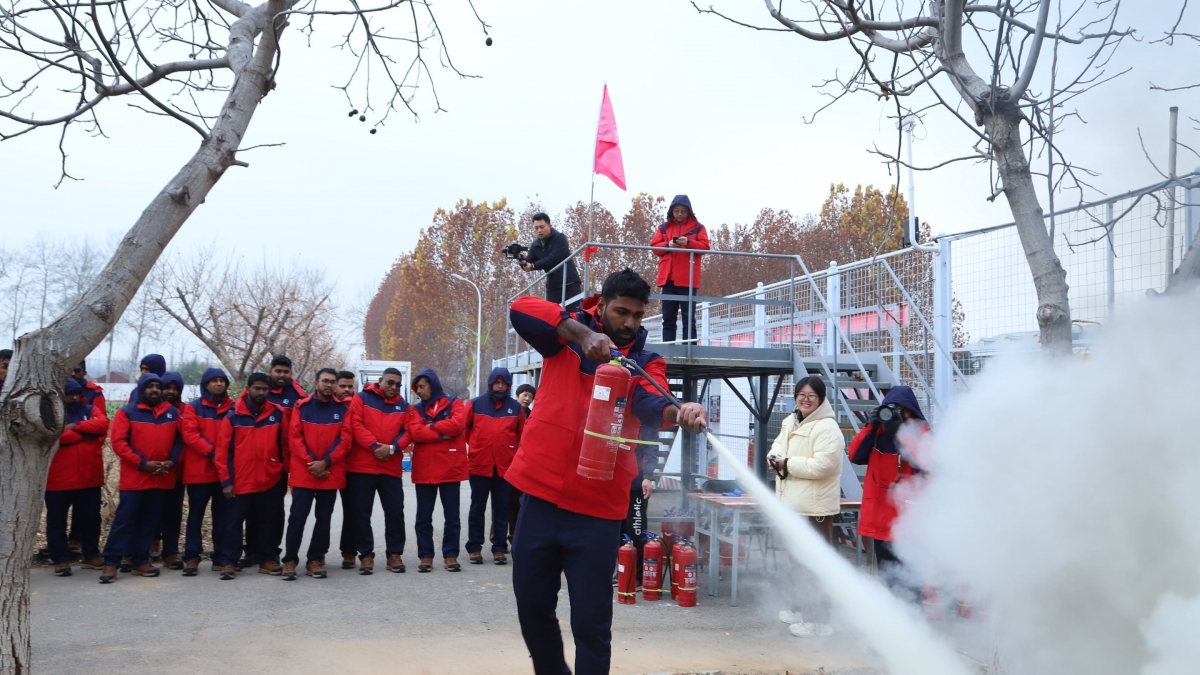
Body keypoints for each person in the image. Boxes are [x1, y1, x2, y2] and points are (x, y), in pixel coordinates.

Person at [506, 268, 707, 675]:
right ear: (601, 306)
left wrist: (679, 413)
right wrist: (581, 335)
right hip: (541, 499)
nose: (630, 323)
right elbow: (519, 309)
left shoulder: (646, 362)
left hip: (598, 511)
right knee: (531, 605)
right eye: (621, 312)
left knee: (591, 622)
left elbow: (654, 404)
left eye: (637, 315)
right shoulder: (562, 340)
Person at [768, 376, 844, 638]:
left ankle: (819, 622)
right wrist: (774, 457)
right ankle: (800, 610)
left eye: (811, 395)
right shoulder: (792, 420)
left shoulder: (827, 428)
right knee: (797, 563)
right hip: (793, 507)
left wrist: (786, 464)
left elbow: (823, 466)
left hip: (815, 510)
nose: (805, 399)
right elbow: (779, 444)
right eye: (801, 394)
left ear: (821, 399)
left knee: (814, 565)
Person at [99, 374, 183, 583]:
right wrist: (143, 464)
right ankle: (111, 563)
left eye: (158, 386)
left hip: (162, 477)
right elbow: (119, 443)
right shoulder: (127, 412)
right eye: (150, 386)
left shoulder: (173, 413)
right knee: (125, 520)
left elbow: (180, 442)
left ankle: (140, 560)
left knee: (150, 522)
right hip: (135, 478)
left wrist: (172, 462)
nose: (155, 390)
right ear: (142, 389)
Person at [848, 385, 930, 599]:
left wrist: (904, 434)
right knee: (888, 578)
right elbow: (855, 455)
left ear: (911, 411)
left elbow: (929, 464)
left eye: (901, 410)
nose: (894, 414)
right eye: (890, 408)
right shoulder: (876, 433)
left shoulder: (921, 433)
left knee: (911, 580)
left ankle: (913, 626)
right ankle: (893, 624)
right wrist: (870, 425)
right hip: (881, 520)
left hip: (909, 524)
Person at [214, 373, 287, 580]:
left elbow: (285, 446)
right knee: (234, 522)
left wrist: (281, 470)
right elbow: (223, 452)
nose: (261, 392)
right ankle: (229, 561)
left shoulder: (278, 414)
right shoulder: (233, 416)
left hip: (269, 479)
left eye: (265, 389)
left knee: (269, 521)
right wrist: (226, 481)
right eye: (257, 388)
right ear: (248, 388)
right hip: (240, 480)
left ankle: (267, 559)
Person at [282, 368, 350, 581]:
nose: (329, 385)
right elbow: (294, 438)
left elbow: (345, 440)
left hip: (329, 472)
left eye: (332, 382)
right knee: (297, 518)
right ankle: (290, 560)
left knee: (324, 519)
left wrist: (326, 462)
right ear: (316, 382)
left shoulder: (344, 409)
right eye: (325, 381)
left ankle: (315, 559)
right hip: (305, 472)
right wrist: (313, 462)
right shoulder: (301, 407)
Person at [344, 368, 411, 574]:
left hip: (390, 467)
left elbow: (408, 431)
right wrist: (374, 446)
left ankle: (394, 554)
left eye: (398, 384)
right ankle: (365, 556)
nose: (394, 387)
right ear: (380, 380)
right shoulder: (361, 399)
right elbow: (355, 425)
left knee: (395, 512)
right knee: (361, 513)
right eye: (390, 382)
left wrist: (391, 448)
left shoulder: (404, 406)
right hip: (362, 466)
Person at [45, 379, 109, 576]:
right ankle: (60, 559)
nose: (74, 397)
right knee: (57, 522)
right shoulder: (52, 413)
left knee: (90, 519)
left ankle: (91, 555)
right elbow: (56, 436)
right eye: (69, 394)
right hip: (58, 480)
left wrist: (75, 426)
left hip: (89, 478)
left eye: (76, 394)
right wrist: (86, 433)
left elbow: (103, 424)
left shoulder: (90, 409)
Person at [407, 369, 469, 573]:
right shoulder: (416, 409)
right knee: (423, 517)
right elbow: (415, 431)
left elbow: (458, 425)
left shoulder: (455, 403)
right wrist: (441, 434)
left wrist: (430, 426)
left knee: (452, 517)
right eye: (417, 388)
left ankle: (450, 555)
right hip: (425, 470)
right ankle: (426, 556)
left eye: (422, 387)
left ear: (432, 385)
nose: (419, 391)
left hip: (450, 469)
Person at [248, 355, 306, 569]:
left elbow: (298, 432)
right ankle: (251, 551)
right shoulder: (259, 390)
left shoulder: (298, 396)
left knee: (273, 510)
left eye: (286, 372)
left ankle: (271, 553)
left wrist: (289, 465)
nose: (281, 375)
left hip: (278, 462)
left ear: (291, 373)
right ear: (270, 371)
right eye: (278, 371)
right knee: (251, 509)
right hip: (252, 462)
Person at [465, 367, 524, 566]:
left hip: (505, 468)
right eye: (497, 382)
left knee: (502, 510)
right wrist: (478, 448)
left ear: (508, 385)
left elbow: (520, 436)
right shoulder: (474, 405)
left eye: (504, 383)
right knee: (477, 509)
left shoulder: (516, 408)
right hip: (479, 466)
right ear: (490, 383)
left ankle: (499, 548)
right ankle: (474, 548)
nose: (500, 386)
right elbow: (466, 432)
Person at [180, 368, 233, 576]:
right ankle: (192, 557)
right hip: (199, 473)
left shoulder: (233, 408)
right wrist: (213, 453)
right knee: (195, 516)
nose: (219, 384)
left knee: (222, 517)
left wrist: (221, 458)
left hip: (224, 474)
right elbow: (190, 434)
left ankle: (220, 556)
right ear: (206, 384)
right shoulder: (194, 408)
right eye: (214, 381)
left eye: (222, 380)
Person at [650, 195, 710, 345]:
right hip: (668, 278)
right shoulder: (663, 228)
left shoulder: (699, 228)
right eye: (676, 211)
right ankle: (668, 349)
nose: (679, 214)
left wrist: (689, 242)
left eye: (683, 211)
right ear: (672, 211)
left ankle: (689, 349)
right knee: (668, 317)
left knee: (689, 318)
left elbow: (705, 247)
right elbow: (654, 247)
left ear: (689, 212)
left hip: (687, 279)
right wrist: (668, 245)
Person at [153, 371, 187, 570]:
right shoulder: (151, 408)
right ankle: (148, 544)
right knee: (150, 511)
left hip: (176, 472)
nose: (171, 392)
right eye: (168, 387)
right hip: (150, 470)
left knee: (173, 513)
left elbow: (184, 439)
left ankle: (171, 551)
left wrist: (173, 462)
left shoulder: (184, 411)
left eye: (176, 389)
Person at [618, 426, 659, 588]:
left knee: (636, 530)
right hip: (620, 485)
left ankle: (639, 576)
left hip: (636, 485)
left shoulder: (645, 420)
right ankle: (624, 571)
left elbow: (651, 449)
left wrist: (648, 477)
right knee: (620, 531)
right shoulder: (621, 417)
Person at [520, 213, 582, 312]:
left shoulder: (559, 238)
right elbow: (529, 260)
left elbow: (554, 258)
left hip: (570, 283)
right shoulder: (535, 245)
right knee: (552, 319)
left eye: (542, 227)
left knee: (575, 317)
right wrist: (522, 262)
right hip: (553, 286)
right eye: (536, 228)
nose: (539, 230)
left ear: (550, 226)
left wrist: (534, 266)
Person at [334, 369, 360, 567]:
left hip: (350, 467)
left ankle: (349, 552)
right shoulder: (324, 404)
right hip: (324, 465)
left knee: (352, 511)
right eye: (343, 386)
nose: (347, 390)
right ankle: (317, 554)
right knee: (322, 513)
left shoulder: (358, 405)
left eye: (350, 386)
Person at [509, 383, 537, 544]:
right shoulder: (510, 412)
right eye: (524, 395)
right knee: (502, 504)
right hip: (508, 461)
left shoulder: (532, 416)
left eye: (530, 396)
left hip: (524, 463)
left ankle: (513, 536)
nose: (527, 399)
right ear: (517, 395)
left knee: (517, 503)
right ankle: (496, 538)